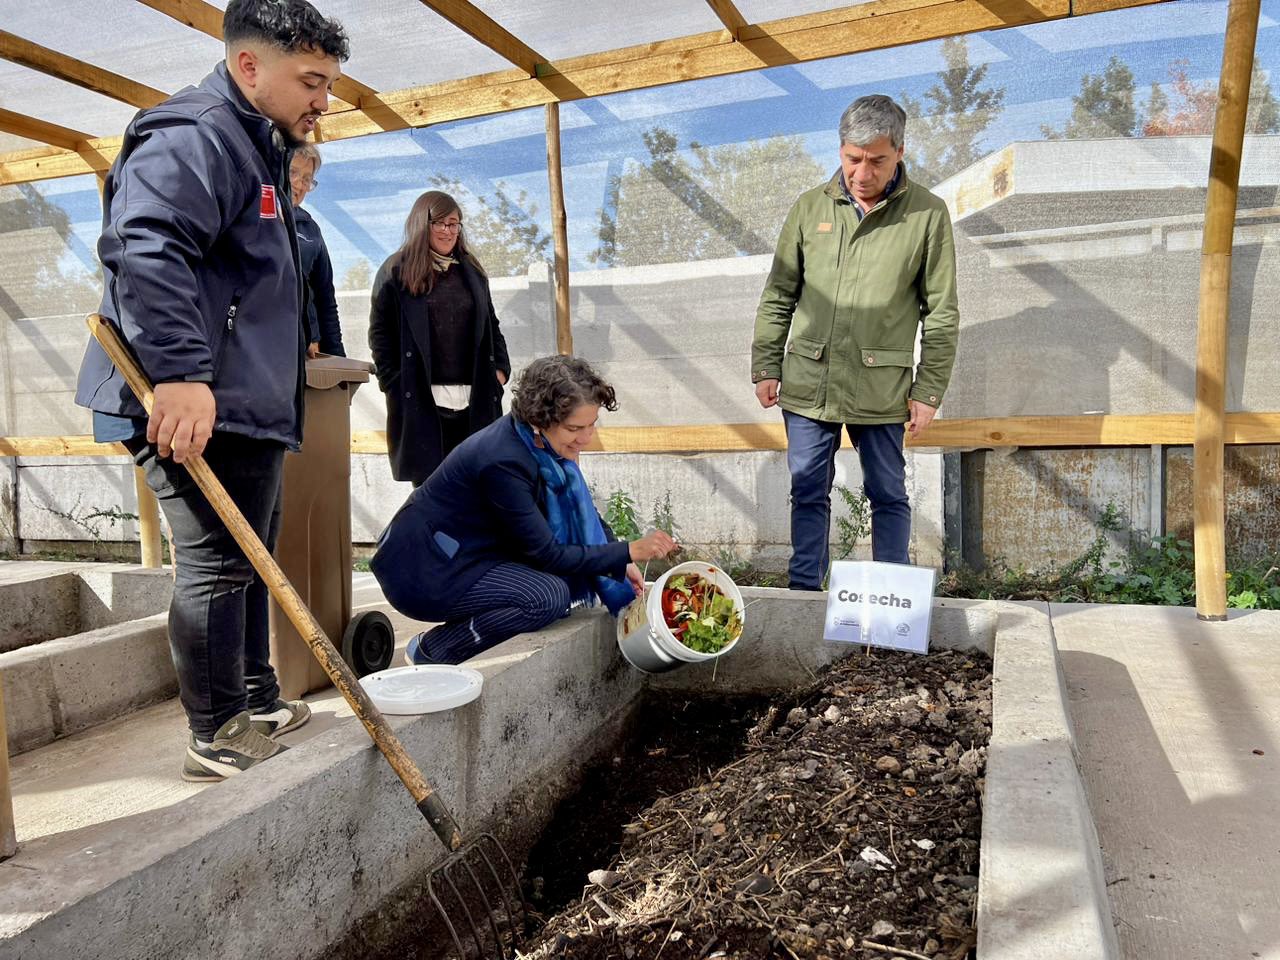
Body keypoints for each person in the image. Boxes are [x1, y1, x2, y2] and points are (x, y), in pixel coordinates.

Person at [74, 0, 349, 781]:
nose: (322, 101)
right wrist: (181, 373)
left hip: (246, 400)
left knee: (250, 553)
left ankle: (254, 695)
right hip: (193, 395)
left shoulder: (257, 145)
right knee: (215, 560)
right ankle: (214, 727)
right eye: (312, 81)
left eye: (328, 84)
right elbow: (147, 245)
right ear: (249, 65)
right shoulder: (196, 132)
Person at [751, 94, 958, 588]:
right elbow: (780, 292)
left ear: (900, 152)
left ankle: (890, 599)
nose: (862, 173)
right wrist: (766, 364)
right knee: (807, 490)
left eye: (877, 161)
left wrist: (928, 392)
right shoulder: (809, 207)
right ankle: (803, 594)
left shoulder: (927, 214)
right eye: (853, 159)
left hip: (881, 385)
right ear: (841, 150)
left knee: (887, 491)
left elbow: (942, 312)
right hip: (808, 379)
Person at [371, 355, 678, 665]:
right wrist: (627, 551)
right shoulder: (503, 461)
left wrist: (614, 556)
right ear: (540, 418)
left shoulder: (538, 444)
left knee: (552, 589)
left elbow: (579, 505)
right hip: (425, 570)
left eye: (591, 424)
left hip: (470, 552)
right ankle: (434, 650)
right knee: (545, 598)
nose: (586, 438)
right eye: (575, 428)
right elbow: (547, 554)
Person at [368, 191, 511, 486]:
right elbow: (380, 335)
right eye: (440, 223)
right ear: (423, 223)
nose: (448, 231)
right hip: (422, 400)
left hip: (475, 399)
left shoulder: (472, 271)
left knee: (478, 486)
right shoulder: (396, 271)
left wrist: (500, 372)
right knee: (432, 491)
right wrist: (394, 383)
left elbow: (491, 324)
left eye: (454, 224)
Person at [290, 142, 345, 357]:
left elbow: (325, 298)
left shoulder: (310, 230)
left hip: (308, 351)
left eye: (306, 179)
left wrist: (338, 357)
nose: (299, 184)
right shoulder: (249, 219)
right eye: (292, 172)